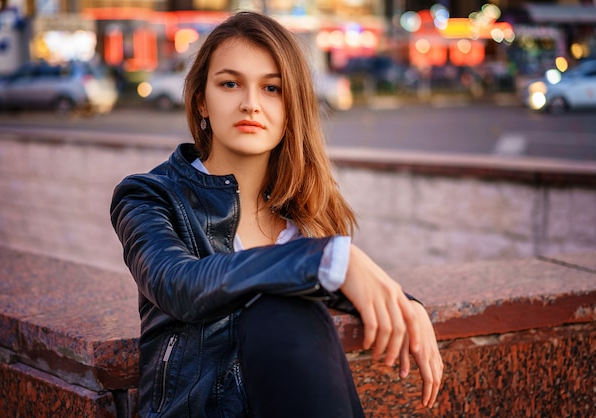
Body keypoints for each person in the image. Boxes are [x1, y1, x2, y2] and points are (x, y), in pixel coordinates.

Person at [110, 11, 443, 418]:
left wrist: (408, 305)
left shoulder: (303, 215)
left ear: (292, 108)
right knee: (280, 309)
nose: (250, 103)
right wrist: (328, 258)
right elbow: (178, 285)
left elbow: (340, 283)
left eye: (271, 89)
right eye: (230, 84)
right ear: (202, 100)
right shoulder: (149, 196)